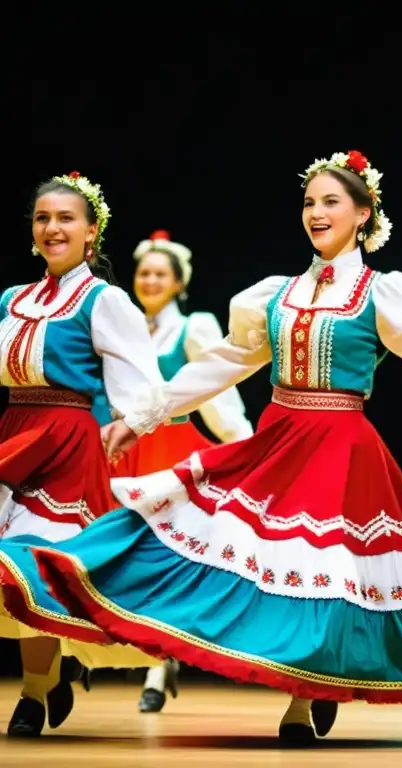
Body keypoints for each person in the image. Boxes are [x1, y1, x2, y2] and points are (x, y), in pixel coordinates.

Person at [21, 150, 402, 746]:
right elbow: (225, 362)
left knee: (322, 571)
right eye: (309, 203)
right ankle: (283, 679)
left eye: (331, 202)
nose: (317, 213)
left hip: (341, 445)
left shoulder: (383, 292)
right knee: (219, 545)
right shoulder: (276, 294)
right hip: (278, 438)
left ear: (363, 213)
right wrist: (144, 415)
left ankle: (304, 698)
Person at [0, 171, 165, 737]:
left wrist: (131, 422)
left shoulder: (103, 298)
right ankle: (49, 677)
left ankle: (30, 692)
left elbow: (142, 378)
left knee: (29, 562)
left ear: (92, 232)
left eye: (66, 218)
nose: (53, 228)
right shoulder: (13, 300)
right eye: (43, 218)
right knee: (10, 568)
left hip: (64, 444)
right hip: (13, 434)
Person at [114, 229, 255, 713]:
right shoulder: (123, 326)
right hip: (124, 450)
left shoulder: (193, 328)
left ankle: (158, 665)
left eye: (160, 274)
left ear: (179, 283)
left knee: (163, 558)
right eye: (143, 273)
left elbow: (216, 390)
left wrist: (241, 442)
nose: (150, 281)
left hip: (171, 450)